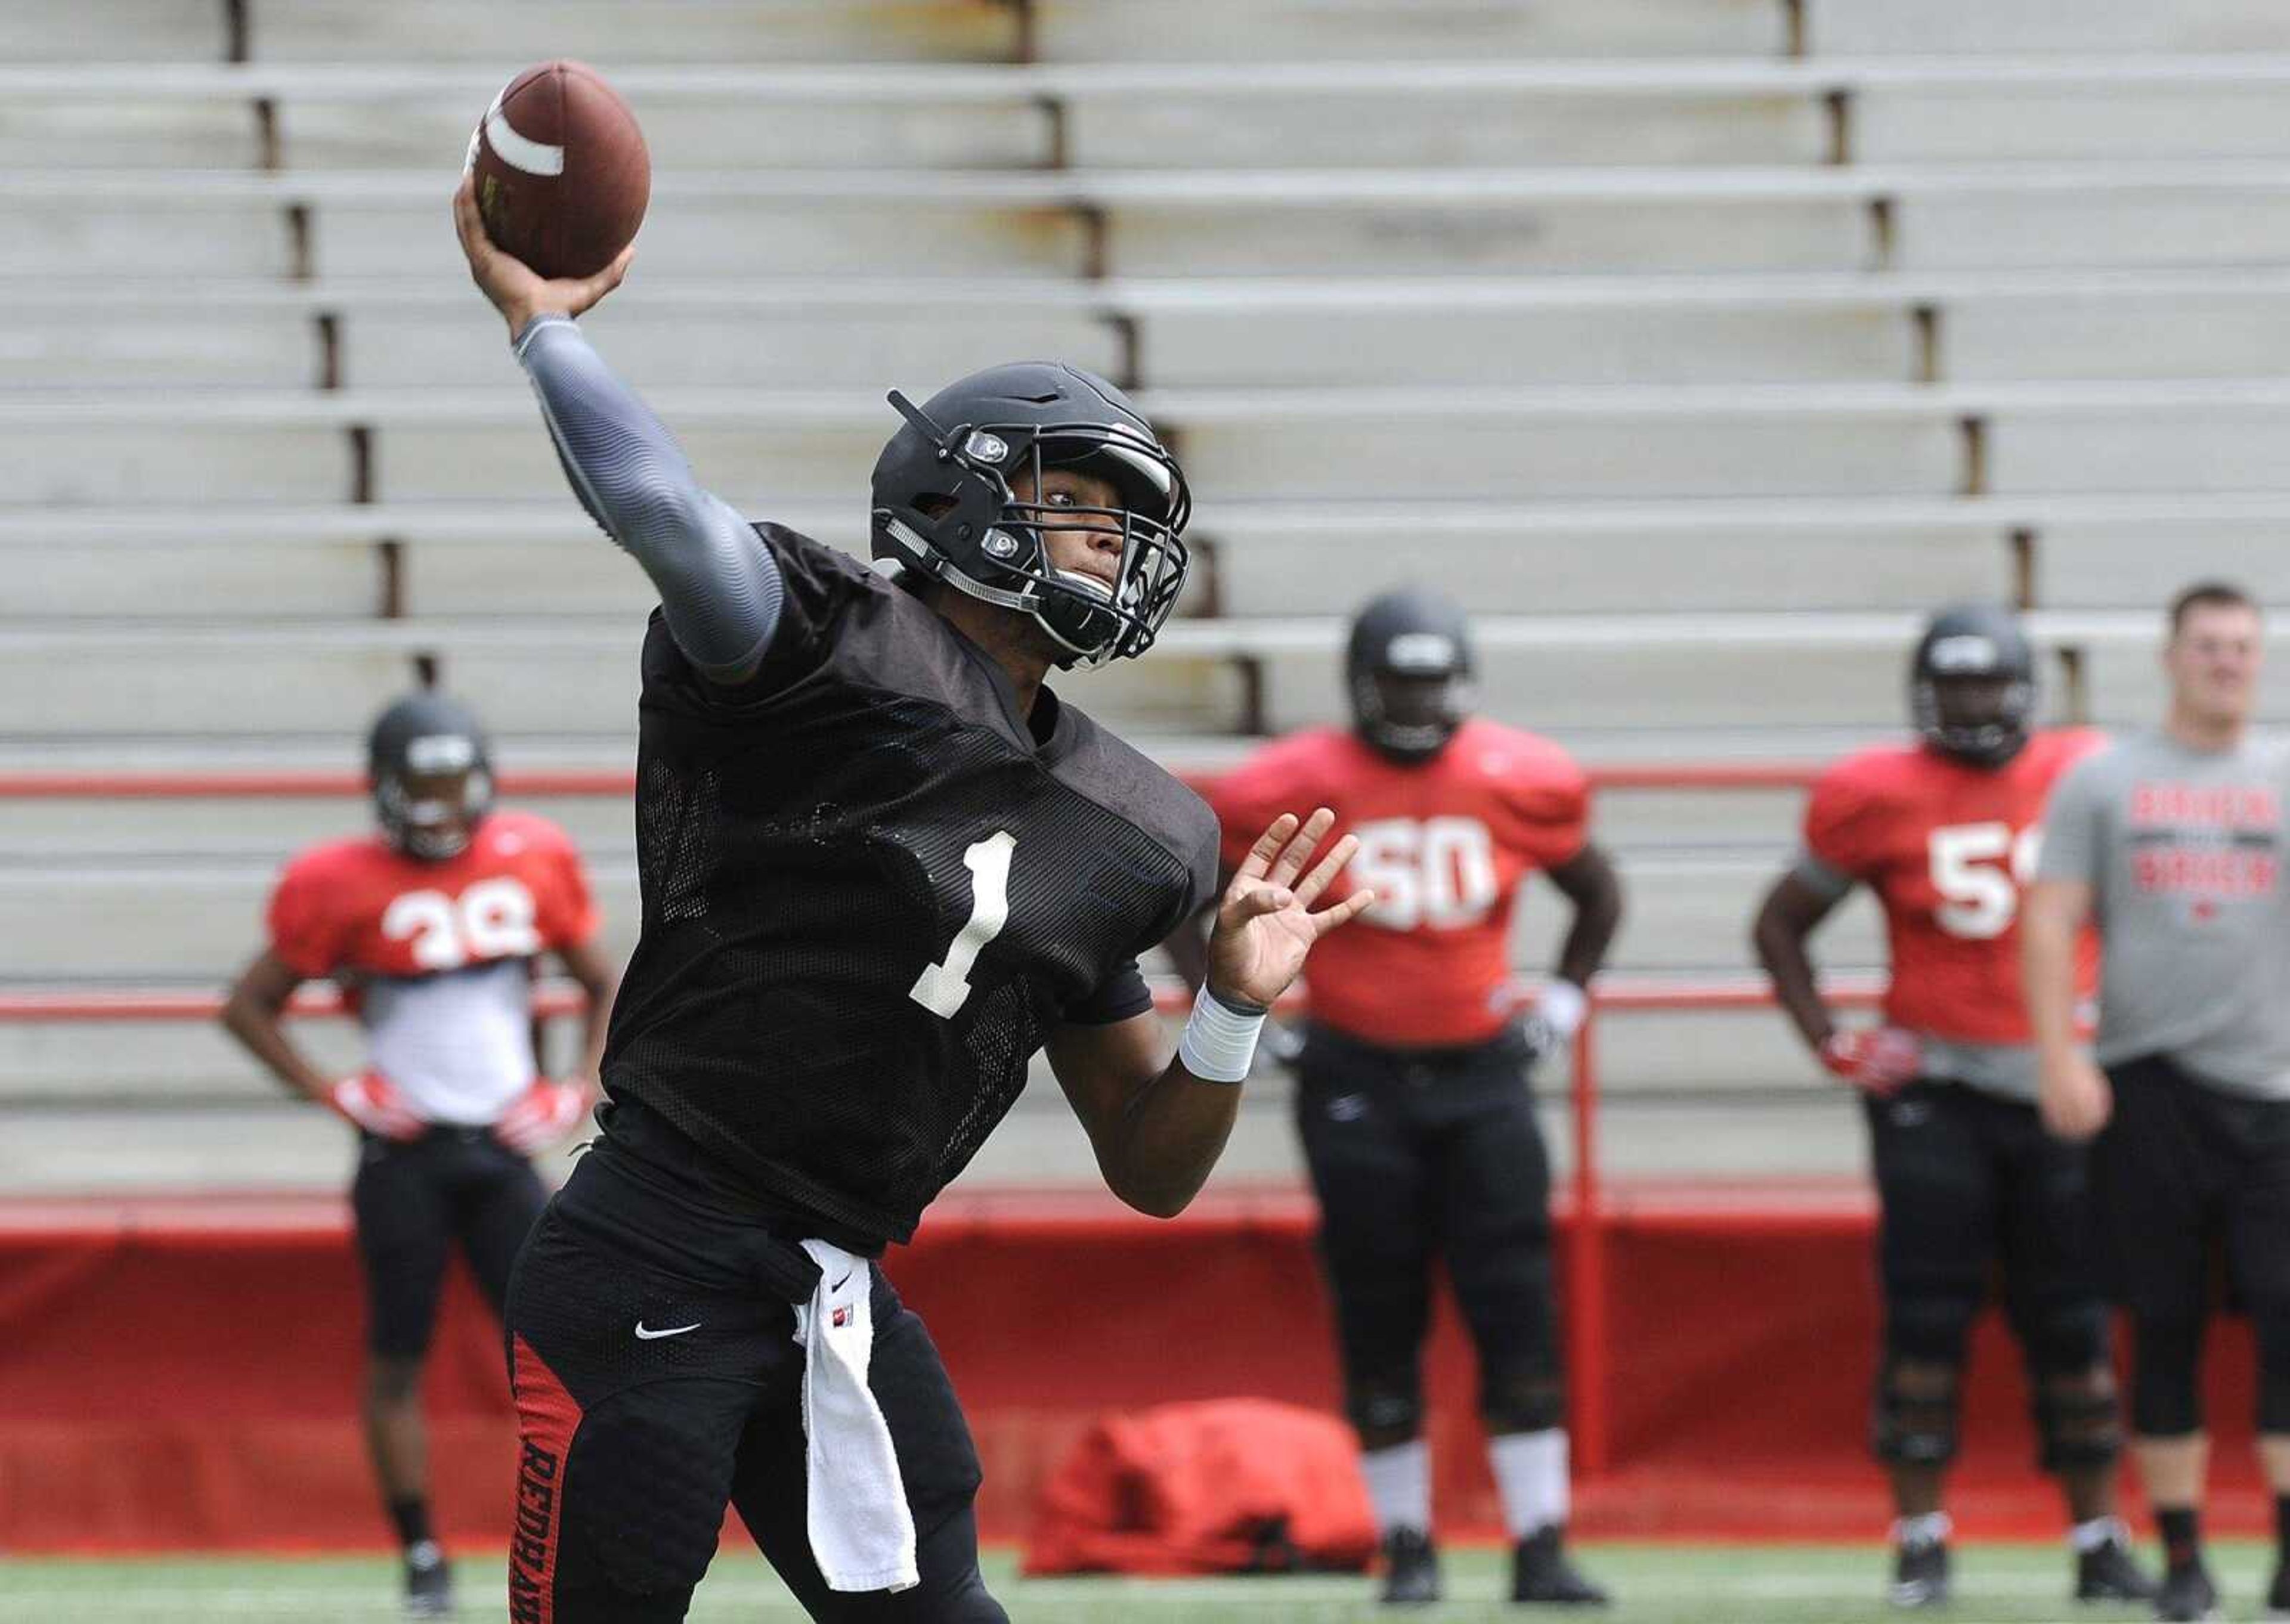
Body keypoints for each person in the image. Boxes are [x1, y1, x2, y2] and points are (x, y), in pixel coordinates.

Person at [448, 178, 1371, 1623]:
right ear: (965, 499)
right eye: (1081, 503)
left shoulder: (1135, 826)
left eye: (1130, 517)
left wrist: (1233, 1013)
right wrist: (541, 328)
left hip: (835, 1281)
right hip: (654, 1235)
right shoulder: (827, 646)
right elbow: (657, 507)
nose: (1115, 542)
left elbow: (1150, 1166)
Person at [1184, 587, 1623, 1607]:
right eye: (1401, 682)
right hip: (1356, 1077)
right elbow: (1196, 894)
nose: (1419, 703)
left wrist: (1563, 1000)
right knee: (1378, 1308)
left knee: (1517, 1303)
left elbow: (1598, 890)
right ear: (1360, 684)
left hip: (1482, 1075)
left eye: (1434, 682)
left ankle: (1540, 1542)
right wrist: (1251, 1012)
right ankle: (1410, 1544)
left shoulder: (1520, 775)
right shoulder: (1290, 781)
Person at [1751, 605, 2152, 1610]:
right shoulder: (1877, 793)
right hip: (1934, 1096)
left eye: (1989, 684)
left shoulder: (2085, 773)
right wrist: (1831, 1040)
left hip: (2057, 1091)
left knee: (2073, 1325)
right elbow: (1781, 924)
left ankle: (2099, 1538)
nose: (1973, 704)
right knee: (1926, 1324)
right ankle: (1921, 1538)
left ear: (2025, 691)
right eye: (1955, 685)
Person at [220, 690, 615, 1618]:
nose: (437, 807)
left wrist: (575, 1087)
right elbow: (247, 1003)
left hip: (502, 1150)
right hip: (403, 1159)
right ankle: (423, 1556)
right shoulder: (334, 879)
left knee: (560, 1353)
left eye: (452, 785)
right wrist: (335, 1093)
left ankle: (584, 1534)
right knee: (398, 1353)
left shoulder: (532, 854)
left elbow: (602, 975)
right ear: (383, 790)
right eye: (419, 787)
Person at [2025, 581, 2290, 1623]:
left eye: (2243, 647)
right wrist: (2059, 1055)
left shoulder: (2282, 775)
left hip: (2275, 1087)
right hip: (2150, 1082)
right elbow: (2051, 923)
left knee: (2289, 1325)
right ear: (2171, 656)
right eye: (2209, 645)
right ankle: (2183, 1558)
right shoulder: (2106, 781)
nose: (2227, 662)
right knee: (2165, 1323)